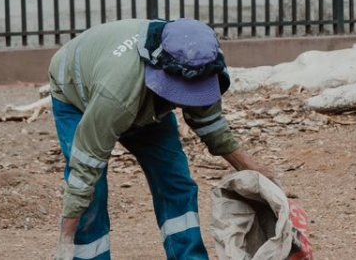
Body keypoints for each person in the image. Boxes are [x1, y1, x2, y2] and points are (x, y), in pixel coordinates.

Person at [49, 18, 279, 260]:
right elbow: (85, 169)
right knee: (94, 191)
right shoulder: (116, 95)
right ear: (163, 73)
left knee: (176, 181)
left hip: (145, 102)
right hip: (77, 92)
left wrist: (256, 172)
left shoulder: (201, 58)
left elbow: (211, 125)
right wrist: (66, 240)